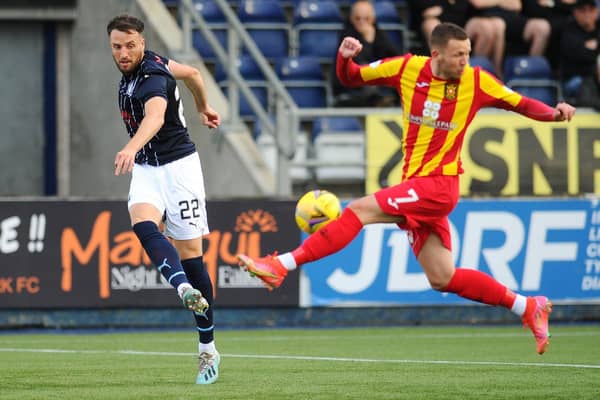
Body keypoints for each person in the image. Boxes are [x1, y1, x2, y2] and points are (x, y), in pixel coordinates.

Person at [238, 22, 576, 355]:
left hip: (439, 185)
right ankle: (527, 306)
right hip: (417, 185)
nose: (466, 61)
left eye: (468, 54)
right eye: (458, 55)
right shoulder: (407, 69)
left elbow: (520, 103)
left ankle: (281, 264)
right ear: (436, 54)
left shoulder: (477, 82)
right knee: (442, 277)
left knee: (357, 210)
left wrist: (555, 114)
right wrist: (344, 58)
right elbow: (352, 77)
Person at [107, 15, 221, 384]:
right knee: (141, 222)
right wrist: (203, 107)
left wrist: (129, 146)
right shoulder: (157, 62)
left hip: (180, 170)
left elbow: (155, 117)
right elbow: (195, 75)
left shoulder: (153, 78)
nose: (123, 53)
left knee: (192, 257)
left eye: (129, 45)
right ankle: (182, 289)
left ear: (143, 42)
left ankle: (207, 348)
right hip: (148, 169)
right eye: (116, 46)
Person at [331, 0, 401, 107]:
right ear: (351, 19)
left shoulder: (379, 34)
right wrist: (368, 42)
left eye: (366, 18)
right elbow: (358, 65)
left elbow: (395, 57)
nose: (362, 22)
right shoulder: (346, 37)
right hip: (351, 88)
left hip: (377, 85)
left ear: (373, 19)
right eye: (357, 18)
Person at [416, 0, 504, 75]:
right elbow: (425, 12)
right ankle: (442, 69)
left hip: (462, 30)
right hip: (440, 32)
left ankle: (477, 71)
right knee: (431, 24)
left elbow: (477, 8)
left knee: (486, 26)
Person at [470, 0, 551, 76]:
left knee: (542, 27)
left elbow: (516, 6)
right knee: (498, 25)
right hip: (486, 17)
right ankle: (496, 72)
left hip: (512, 19)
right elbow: (478, 3)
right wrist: (503, 2)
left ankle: (532, 71)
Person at [560, 0, 600, 109]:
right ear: (575, 13)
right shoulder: (569, 30)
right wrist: (594, 52)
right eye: (582, 10)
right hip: (574, 79)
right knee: (581, 82)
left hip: (594, 79)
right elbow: (581, 55)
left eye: (590, 10)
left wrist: (593, 47)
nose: (587, 14)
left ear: (597, 11)